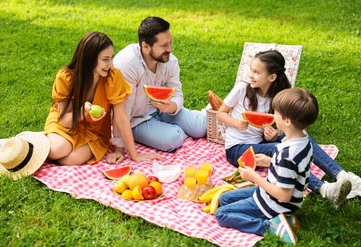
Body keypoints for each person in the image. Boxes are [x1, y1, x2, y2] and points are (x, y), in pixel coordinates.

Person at [217, 50, 360, 207]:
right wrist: (236, 123)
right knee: (280, 150)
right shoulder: (242, 89)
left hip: (260, 142)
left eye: (256, 72)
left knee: (302, 136)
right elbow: (221, 113)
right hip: (237, 149)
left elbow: (275, 126)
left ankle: (341, 175)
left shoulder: (278, 96)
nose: (251, 75)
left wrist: (270, 136)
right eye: (251, 70)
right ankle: (324, 189)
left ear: (272, 77)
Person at [215, 87, 320, 244]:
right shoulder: (303, 141)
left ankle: (271, 227)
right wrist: (269, 161)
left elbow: (284, 195)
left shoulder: (287, 155)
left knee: (222, 214)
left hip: (274, 203)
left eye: (276, 113)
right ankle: (287, 219)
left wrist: (254, 177)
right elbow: (295, 170)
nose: (272, 115)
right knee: (224, 199)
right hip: (276, 197)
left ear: (287, 121)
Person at [44, 31, 162, 165]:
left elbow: (121, 118)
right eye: (105, 59)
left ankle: (50, 143)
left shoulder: (112, 78)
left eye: (111, 58)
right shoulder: (66, 77)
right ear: (89, 59)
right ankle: (40, 142)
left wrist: (134, 155)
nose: (111, 64)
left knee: (70, 160)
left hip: (95, 133)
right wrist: (84, 111)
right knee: (56, 150)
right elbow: (65, 122)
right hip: (67, 125)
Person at [112, 16, 207, 152]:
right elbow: (122, 112)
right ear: (145, 47)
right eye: (164, 45)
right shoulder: (127, 65)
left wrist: (172, 106)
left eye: (170, 43)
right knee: (173, 139)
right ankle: (176, 132)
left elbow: (177, 94)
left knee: (201, 127)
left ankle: (194, 121)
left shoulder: (170, 61)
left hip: (162, 111)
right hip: (135, 120)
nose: (170, 49)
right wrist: (119, 147)